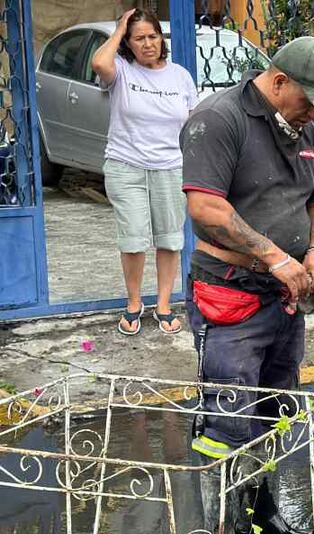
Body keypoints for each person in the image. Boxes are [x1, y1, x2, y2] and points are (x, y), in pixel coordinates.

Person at [180, 36, 314, 534]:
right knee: (226, 419)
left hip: (287, 296)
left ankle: (260, 518)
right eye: (309, 98)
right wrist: (275, 256)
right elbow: (205, 206)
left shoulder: (302, 127)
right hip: (231, 291)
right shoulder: (218, 119)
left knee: (274, 413)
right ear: (278, 81)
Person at [91, 8, 198, 335]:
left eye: (153, 36)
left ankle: (163, 304)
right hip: (127, 167)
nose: (148, 43)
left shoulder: (180, 75)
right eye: (139, 38)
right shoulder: (121, 71)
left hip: (170, 167)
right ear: (128, 42)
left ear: (161, 39)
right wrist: (120, 27)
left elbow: (193, 123)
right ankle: (134, 302)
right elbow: (99, 63)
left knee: (169, 238)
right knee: (134, 238)